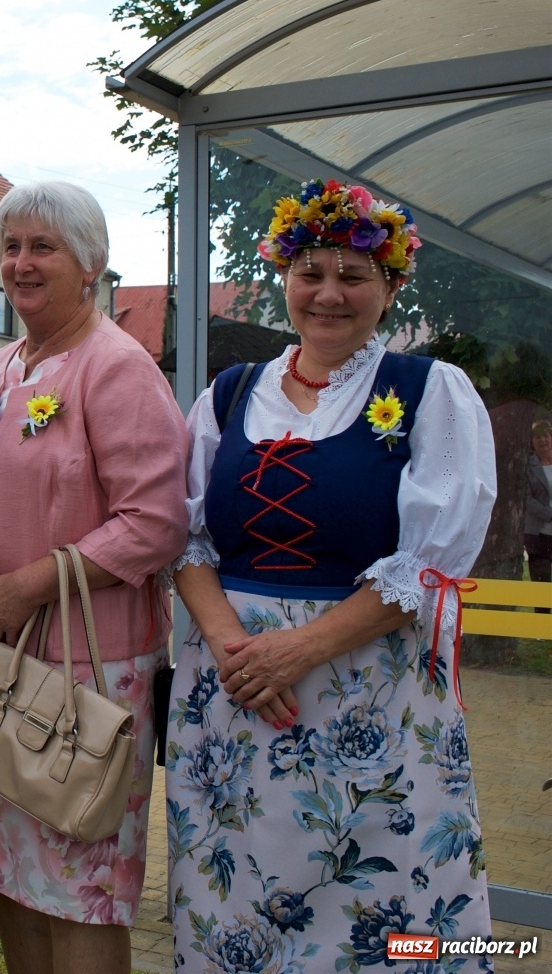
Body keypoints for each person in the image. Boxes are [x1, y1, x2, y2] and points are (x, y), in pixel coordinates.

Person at [167, 180, 497, 970]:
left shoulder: (430, 391)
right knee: (234, 901)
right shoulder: (230, 394)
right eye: (309, 271)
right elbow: (182, 534)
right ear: (284, 277)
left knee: (382, 907)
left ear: (390, 285)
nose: (328, 293)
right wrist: (235, 648)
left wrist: (300, 648)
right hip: (235, 697)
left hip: (369, 698)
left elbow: (430, 563)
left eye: (353, 275)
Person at [0, 182, 190, 974]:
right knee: (15, 871)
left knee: (81, 886)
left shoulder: (118, 369)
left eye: (43, 246)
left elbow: (157, 521)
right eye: (10, 247)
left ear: (92, 263)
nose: (21, 263)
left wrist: (30, 584)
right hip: (0, 668)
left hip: (88, 674)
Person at [525, 420, 552, 587]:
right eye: (537, 437)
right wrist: (549, 515)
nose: (542, 440)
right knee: (541, 586)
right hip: (538, 536)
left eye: (546, 435)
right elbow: (526, 499)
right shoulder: (528, 465)